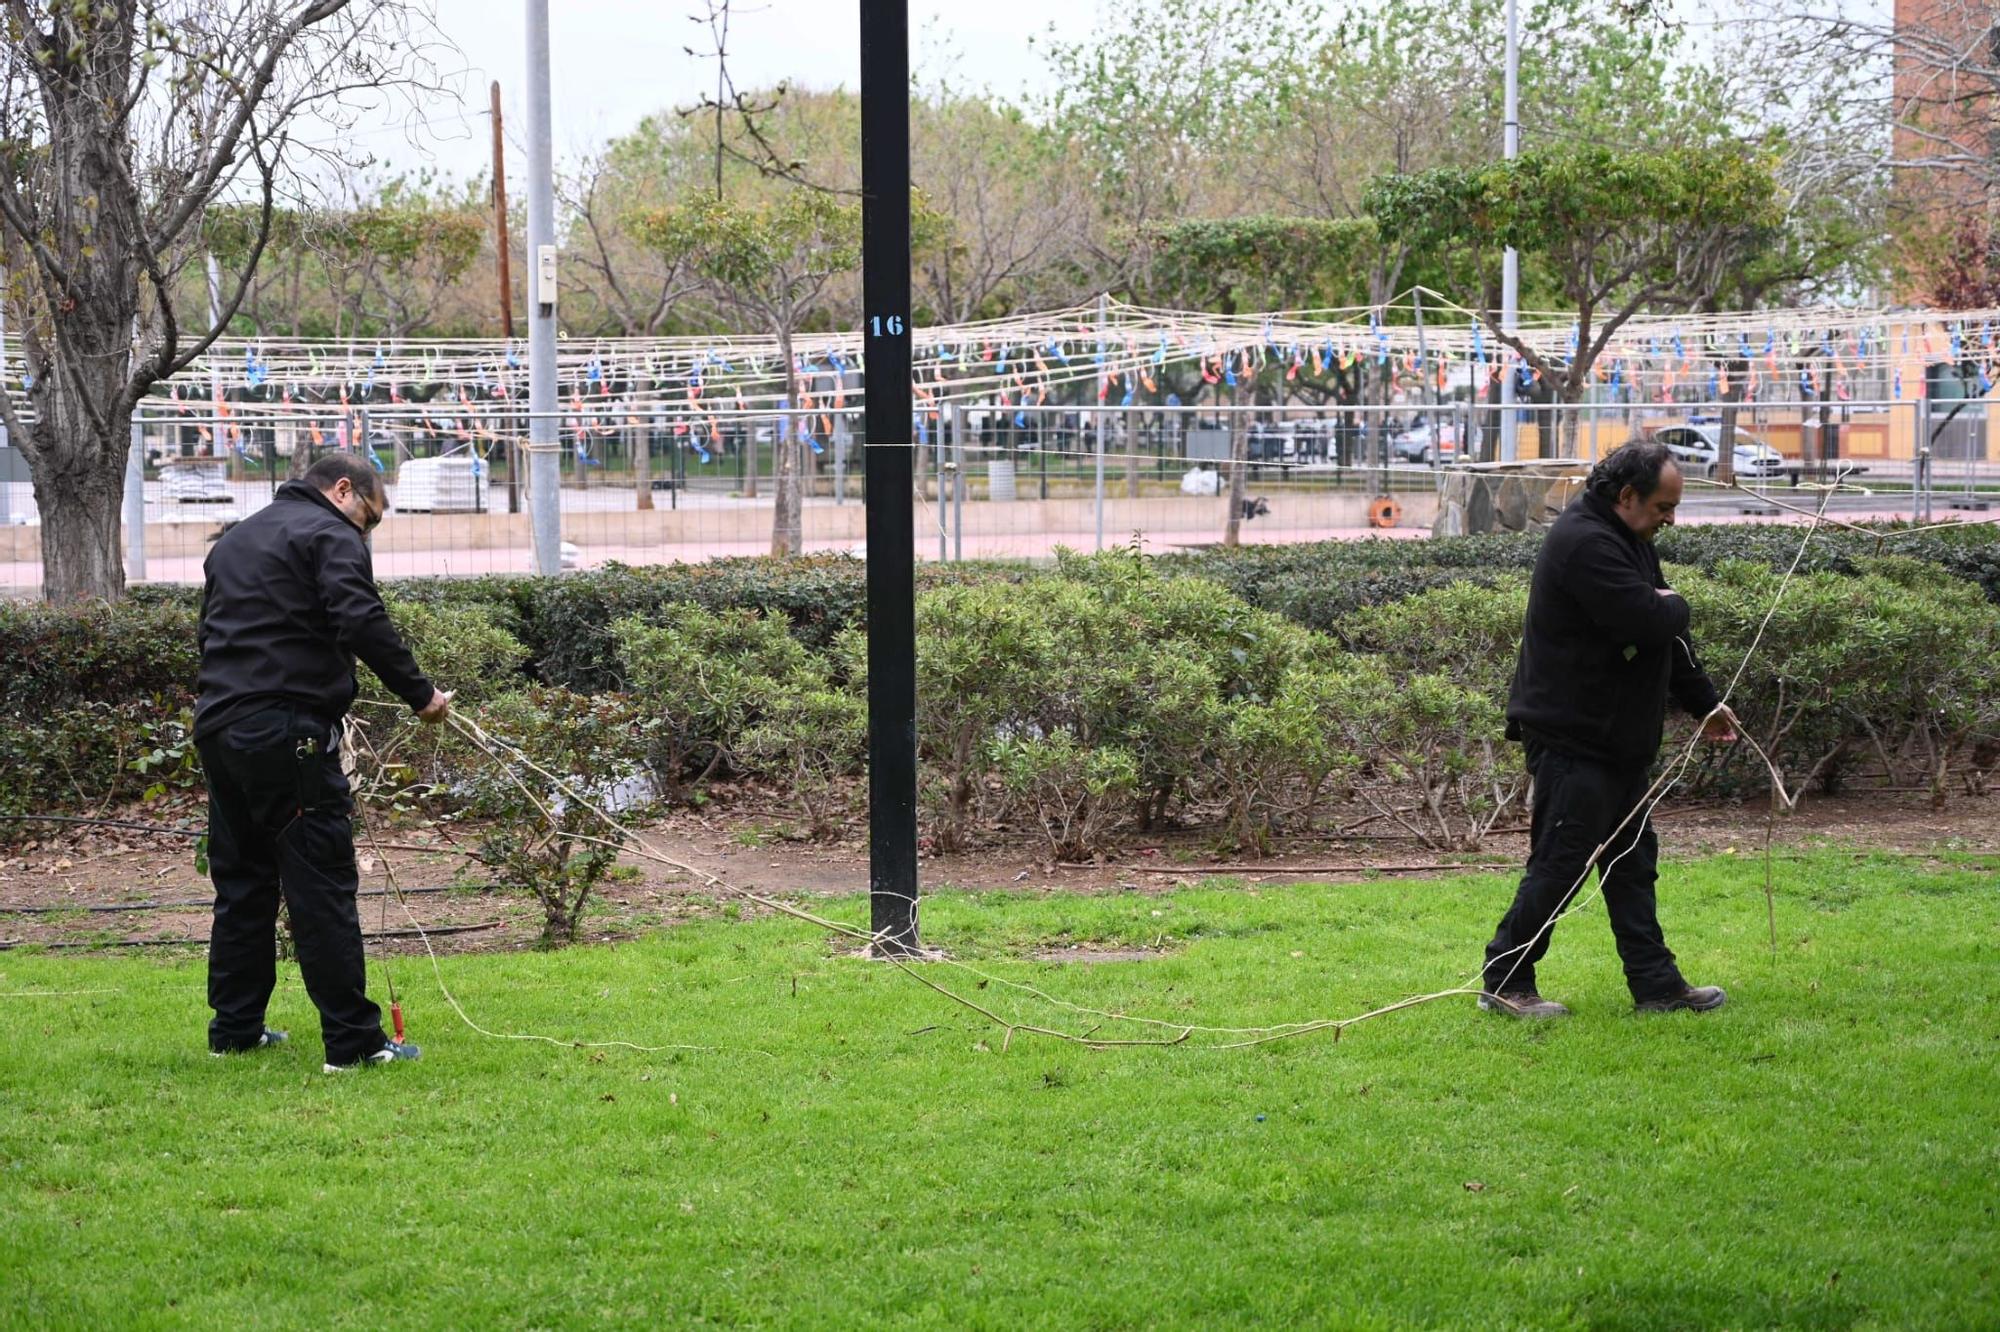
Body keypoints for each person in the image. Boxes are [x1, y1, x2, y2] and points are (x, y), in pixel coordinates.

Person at [194, 454, 450, 1071]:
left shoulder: (237, 539)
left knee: (244, 882)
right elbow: (359, 617)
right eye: (371, 518)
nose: (367, 533)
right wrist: (421, 695)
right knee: (322, 882)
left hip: (221, 728)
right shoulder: (330, 533)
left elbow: (209, 633)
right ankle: (354, 1044)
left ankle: (235, 1028)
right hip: (288, 733)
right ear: (344, 491)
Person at [1480, 440, 1739, 1019]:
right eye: (1663, 507)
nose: (1671, 520)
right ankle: (1504, 981)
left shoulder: (1630, 537)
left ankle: (1657, 986)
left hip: (1616, 739)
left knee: (1631, 863)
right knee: (1561, 864)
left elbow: (1667, 637)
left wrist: (1706, 705)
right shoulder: (1585, 543)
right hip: (1574, 736)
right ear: (1627, 496)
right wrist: (1674, 604)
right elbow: (1649, 618)